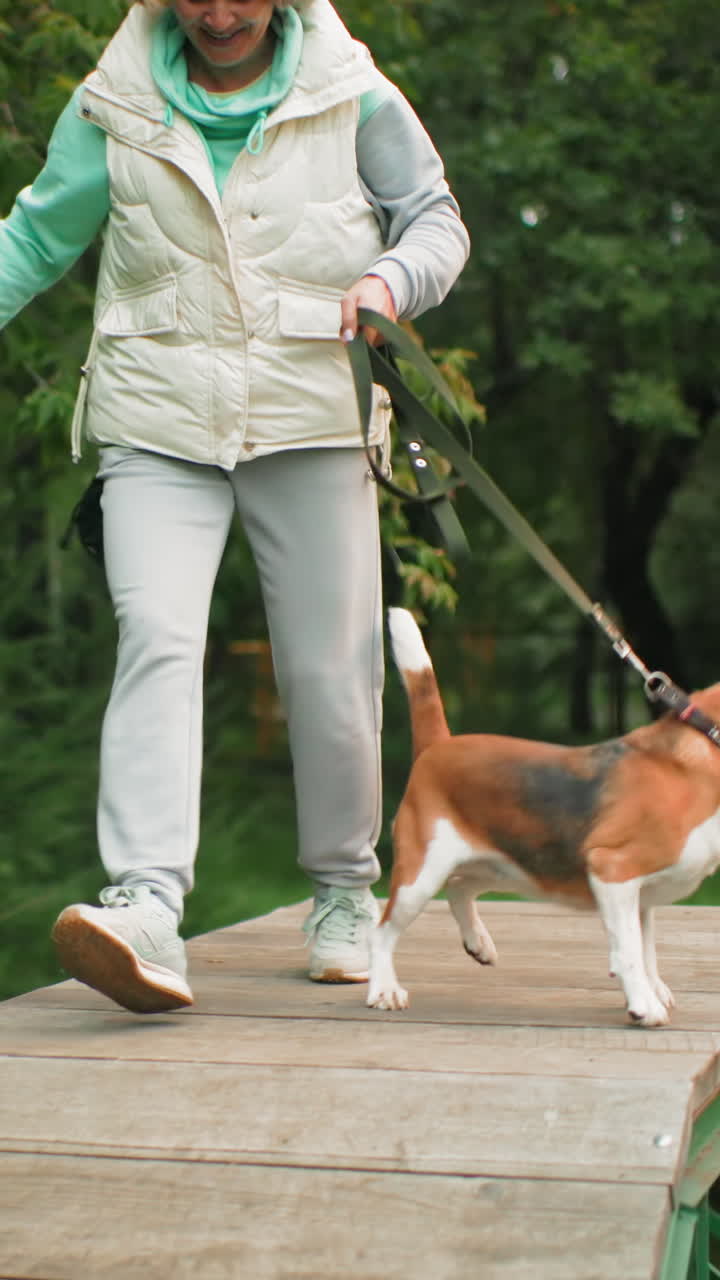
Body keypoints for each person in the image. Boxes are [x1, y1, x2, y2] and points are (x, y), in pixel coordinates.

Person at [1, 0, 469, 1013]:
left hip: (310, 415)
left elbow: (435, 217)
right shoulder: (113, 104)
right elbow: (35, 240)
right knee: (156, 636)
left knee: (329, 662)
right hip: (156, 419)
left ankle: (344, 890)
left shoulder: (350, 88)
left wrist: (393, 277)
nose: (220, 14)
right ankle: (144, 904)